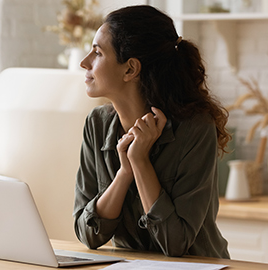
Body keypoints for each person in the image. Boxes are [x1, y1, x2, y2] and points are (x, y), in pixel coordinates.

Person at [73, 5, 231, 259]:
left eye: (97, 52)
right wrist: (124, 173)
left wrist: (139, 161)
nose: (84, 62)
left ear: (130, 69)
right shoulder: (96, 124)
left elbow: (175, 244)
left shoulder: (196, 129)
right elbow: (88, 234)